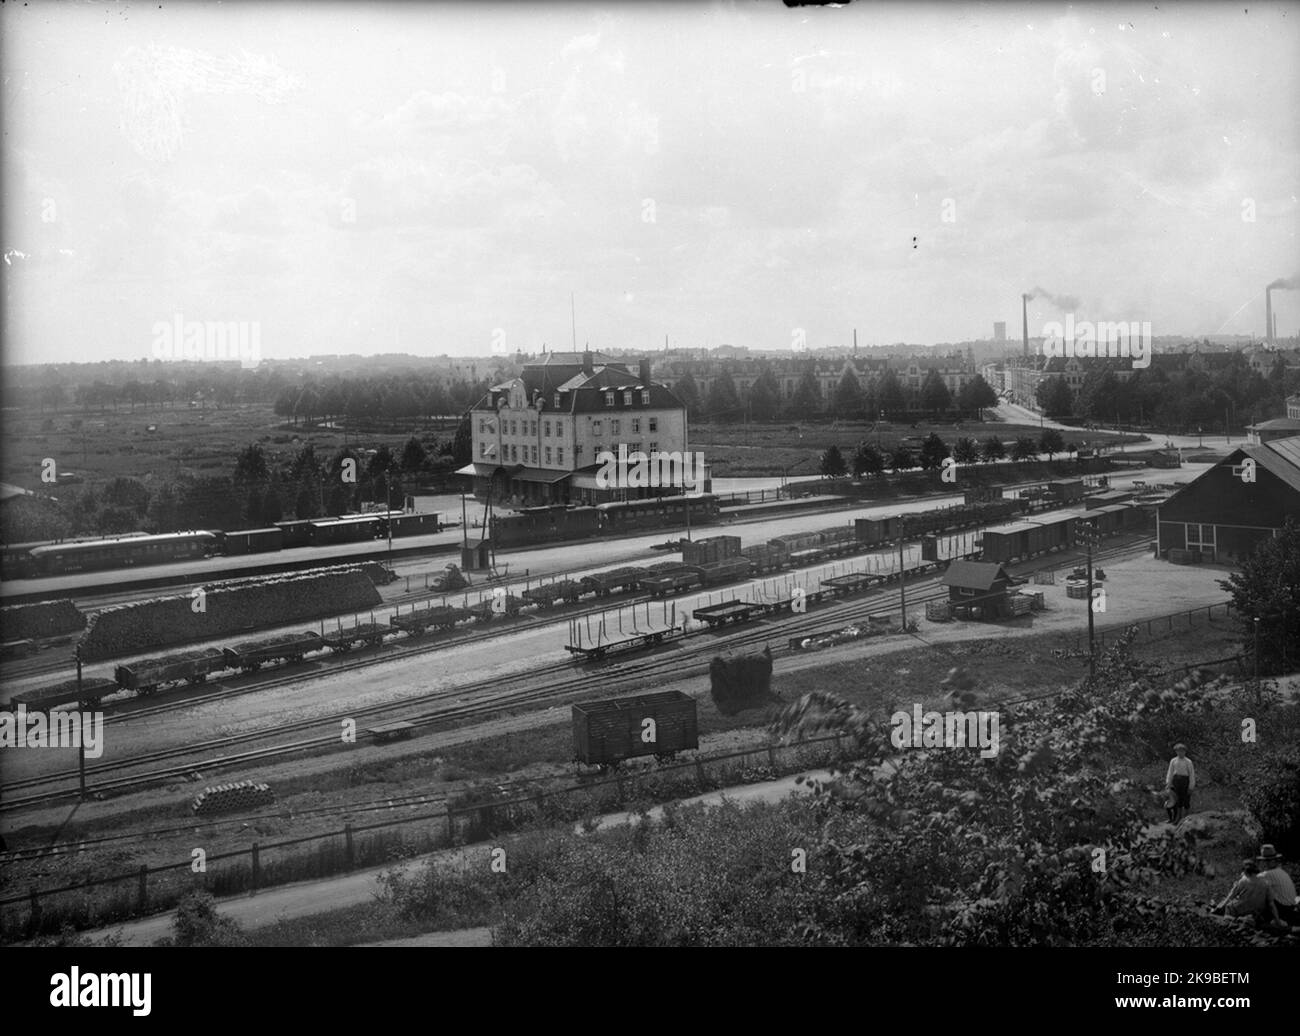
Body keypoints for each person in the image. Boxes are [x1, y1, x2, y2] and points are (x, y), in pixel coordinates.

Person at [1214, 860, 1277, 926]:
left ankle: (1229, 922)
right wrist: (1277, 920)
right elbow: (1271, 903)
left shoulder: (1243, 881)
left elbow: (1231, 895)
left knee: (1229, 906)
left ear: (1245, 871)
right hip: (1258, 910)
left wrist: (1221, 906)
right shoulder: (1265, 883)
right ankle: (1251, 919)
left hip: (1243, 908)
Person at [1257, 845, 1298, 927]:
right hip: (1291, 906)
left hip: (1284, 909)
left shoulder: (1268, 874)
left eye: (1267, 861)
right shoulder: (1281, 872)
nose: (1265, 863)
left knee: (1262, 894)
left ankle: (1272, 920)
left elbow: (1253, 880)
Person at [1164, 743, 1195, 824]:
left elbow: (1191, 774)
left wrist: (1191, 786)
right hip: (1176, 781)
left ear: (1185, 752)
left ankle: (1186, 818)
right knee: (1178, 800)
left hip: (1185, 781)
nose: (1180, 753)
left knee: (1186, 799)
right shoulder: (1173, 760)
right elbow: (1170, 772)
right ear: (1176, 752)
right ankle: (1178, 818)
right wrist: (1168, 783)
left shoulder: (1188, 761)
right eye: (1178, 751)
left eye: (1182, 751)